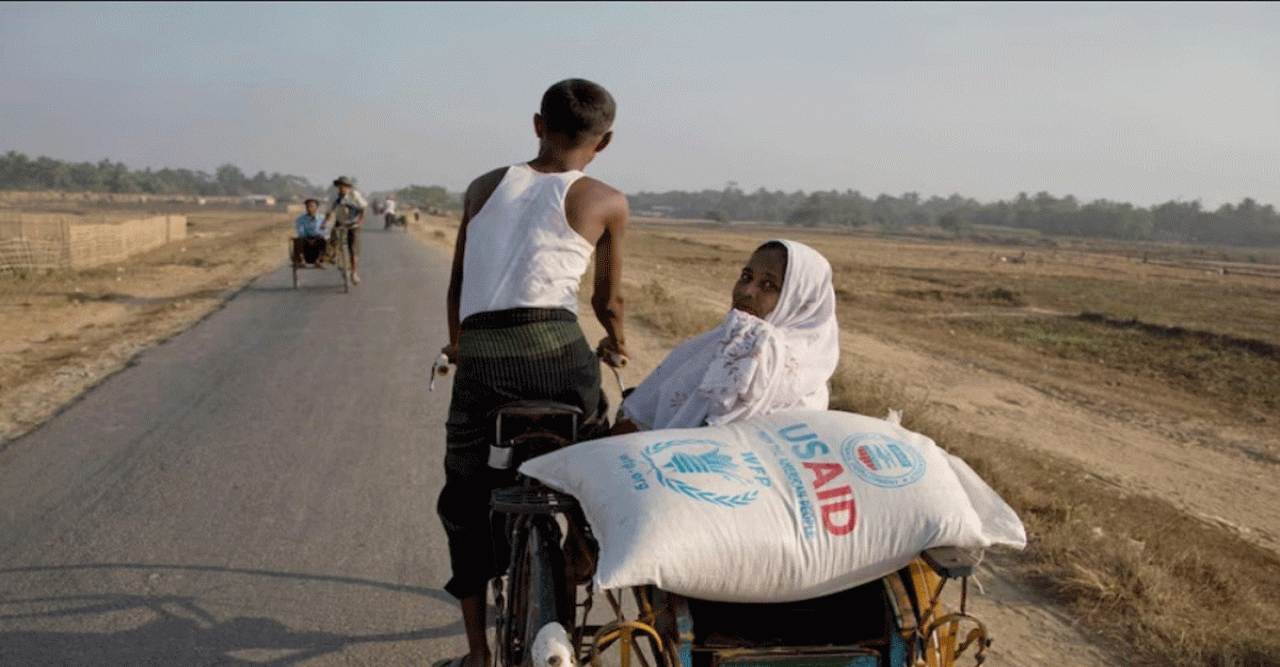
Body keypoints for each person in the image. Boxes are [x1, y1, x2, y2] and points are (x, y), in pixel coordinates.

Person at [435, 78, 629, 667]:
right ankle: (583, 550)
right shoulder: (607, 199)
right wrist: (615, 344)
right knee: (599, 454)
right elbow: (607, 303)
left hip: (484, 357)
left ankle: (476, 652)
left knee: (464, 496)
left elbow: (458, 286)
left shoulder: (483, 187)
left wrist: (460, 348)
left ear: (538, 125)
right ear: (606, 140)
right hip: (560, 356)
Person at [614, 239, 840, 433]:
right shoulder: (813, 376)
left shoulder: (752, 350)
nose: (747, 291)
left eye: (768, 285)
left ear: (802, 302)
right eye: (746, 277)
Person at [325, 175, 367, 284]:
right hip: (340, 222)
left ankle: (354, 273)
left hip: (353, 224)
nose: (341, 189)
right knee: (332, 237)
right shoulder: (336, 197)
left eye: (343, 186)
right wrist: (325, 222)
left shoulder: (355, 195)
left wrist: (360, 222)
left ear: (348, 187)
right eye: (339, 186)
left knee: (352, 248)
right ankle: (333, 255)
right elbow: (330, 211)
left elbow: (363, 208)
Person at [291, 198, 328, 266]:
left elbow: (324, 231)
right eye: (307, 206)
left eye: (311, 206)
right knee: (297, 240)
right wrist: (308, 238)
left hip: (317, 240)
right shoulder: (300, 219)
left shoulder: (322, 218)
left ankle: (320, 260)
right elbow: (301, 231)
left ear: (316, 208)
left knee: (324, 240)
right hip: (306, 240)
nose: (309, 208)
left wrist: (315, 237)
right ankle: (300, 260)